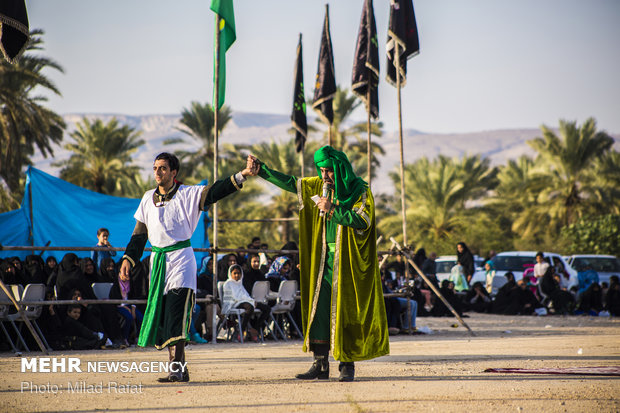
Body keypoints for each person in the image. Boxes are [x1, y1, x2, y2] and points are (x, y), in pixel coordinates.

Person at [250, 145, 389, 382]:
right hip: (322, 261)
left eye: (329, 170)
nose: (324, 175)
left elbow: (363, 220)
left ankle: (347, 364)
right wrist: (262, 170)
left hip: (348, 264)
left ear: (339, 168)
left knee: (346, 312)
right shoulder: (317, 186)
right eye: (321, 170)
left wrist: (333, 209)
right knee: (319, 312)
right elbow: (291, 182)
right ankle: (320, 363)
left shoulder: (359, 189)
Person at [118, 152, 258, 383]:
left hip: (181, 261)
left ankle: (175, 368)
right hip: (158, 263)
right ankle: (181, 369)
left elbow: (215, 191)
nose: (158, 172)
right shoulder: (146, 199)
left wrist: (242, 174)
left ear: (174, 172)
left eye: (163, 168)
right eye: (155, 168)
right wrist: (127, 259)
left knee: (177, 313)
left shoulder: (188, 194)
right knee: (165, 315)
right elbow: (138, 236)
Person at [222, 264, 270, 342]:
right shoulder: (228, 284)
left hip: (245, 302)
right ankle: (241, 331)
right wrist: (251, 302)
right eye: (235, 273)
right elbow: (235, 297)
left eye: (239, 273)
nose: (237, 275)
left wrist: (253, 301)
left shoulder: (240, 283)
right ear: (231, 274)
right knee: (250, 307)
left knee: (267, 308)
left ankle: (255, 329)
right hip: (234, 303)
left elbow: (245, 295)